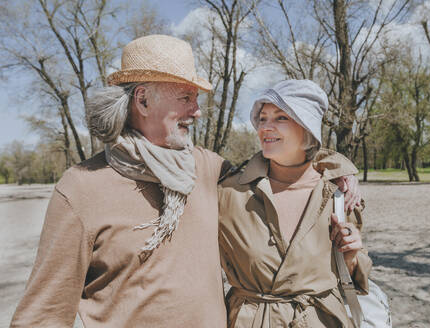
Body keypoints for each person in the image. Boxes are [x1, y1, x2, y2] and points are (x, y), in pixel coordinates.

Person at [10, 35, 360, 327]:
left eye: (197, 98)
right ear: (143, 99)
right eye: (186, 97)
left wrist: (339, 166)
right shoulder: (82, 187)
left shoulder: (207, 169)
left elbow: (284, 161)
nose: (197, 110)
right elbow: (43, 313)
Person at [218, 79, 372, 327]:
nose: (265, 127)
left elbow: (355, 276)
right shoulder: (228, 192)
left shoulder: (338, 194)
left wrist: (352, 256)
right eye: (263, 118)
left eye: (280, 118)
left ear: (308, 129)